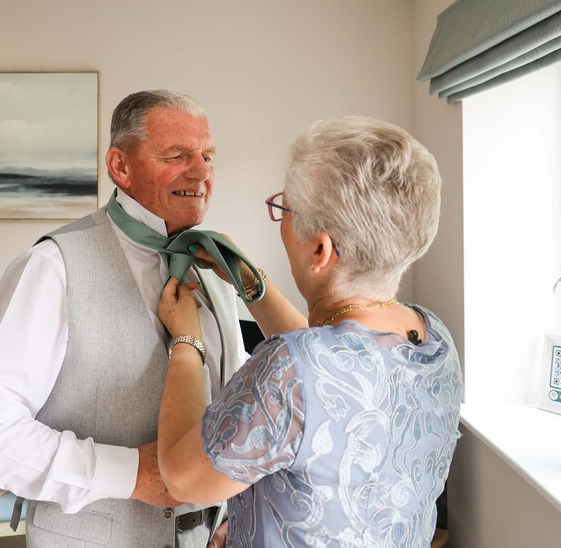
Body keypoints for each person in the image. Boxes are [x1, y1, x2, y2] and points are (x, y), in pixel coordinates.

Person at [0, 90, 249, 547]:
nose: (202, 171)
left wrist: (232, 512)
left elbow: (235, 401)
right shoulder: (53, 267)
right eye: (177, 155)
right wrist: (131, 474)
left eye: (207, 156)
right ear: (120, 167)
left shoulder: (216, 266)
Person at [156, 116, 463, 547]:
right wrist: (251, 284)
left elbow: (182, 478)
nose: (280, 217)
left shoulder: (289, 367)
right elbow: (332, 374)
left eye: (284, 208)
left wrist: (187, 342)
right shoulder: (434, 339)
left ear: (320, 250)